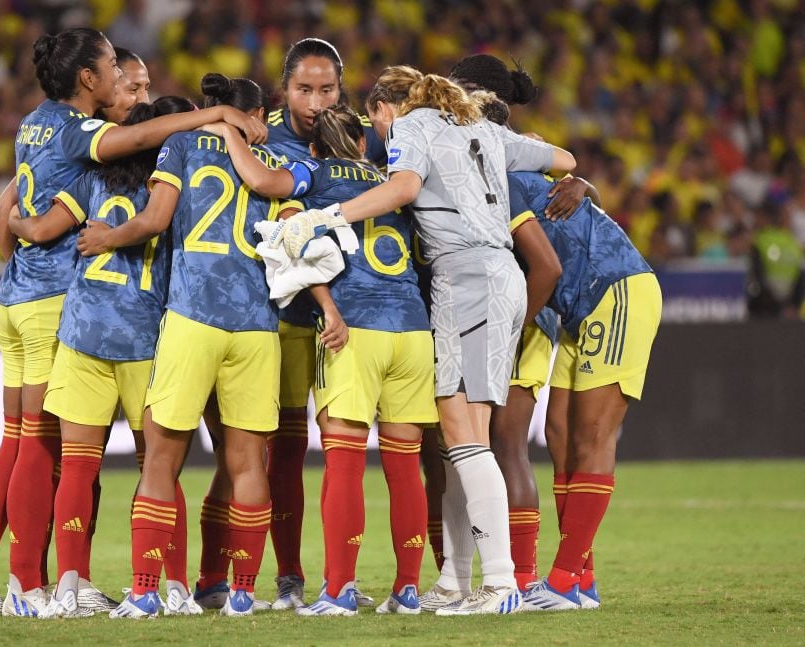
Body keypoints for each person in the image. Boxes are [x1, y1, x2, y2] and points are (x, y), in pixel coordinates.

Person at [0, 27, 268, 618]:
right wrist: (217, 116)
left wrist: (19, 244)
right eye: (131, 82)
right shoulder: (97, 142)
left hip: (21, 297)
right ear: (94, 81)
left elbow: (6, 210)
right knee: (93, 453)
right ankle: (45, 585)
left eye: (148, 87)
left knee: (30, 446)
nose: (142, 96)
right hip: (73, 307)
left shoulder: (35, 125)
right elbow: (60, 220)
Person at [273, 65, 576, 615]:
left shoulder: (411, 126)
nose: (381, 138)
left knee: (465, 437)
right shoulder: (481, 128)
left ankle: (501, 582)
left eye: (377, 123)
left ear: (386, 109)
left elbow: (404, 186)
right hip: (497, 274)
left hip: (465, 277)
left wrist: (327, 215)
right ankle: (458, 580)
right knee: (460, 441)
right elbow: (565, 161)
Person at [217, 104, 436, 615]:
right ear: (363, 146)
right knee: (406, 469)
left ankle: (338, 590)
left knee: (345, 465)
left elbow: (272, 191)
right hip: (412, 328)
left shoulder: (312, 173)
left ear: (313, 148)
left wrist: (231, 137)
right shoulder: (392, 179)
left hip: (353, 331)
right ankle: (407, 589)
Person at [76, 73, 280, 619]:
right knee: (247, 464)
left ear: (209, 108)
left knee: (161, 460)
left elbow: (155, 220)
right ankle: (241, 593)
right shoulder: (275, 159)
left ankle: (145, 591)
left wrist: (106, 237)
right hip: (258, 324)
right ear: (254, 112)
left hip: (193, 317)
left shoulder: (182, 143)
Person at [5, 96, 199, 618]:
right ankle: (174, 585)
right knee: (158, 468)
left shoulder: (91, 181)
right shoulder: (174, 193)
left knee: (77, 466)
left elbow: (43, 228)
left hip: (84, 331)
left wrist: (15, 225)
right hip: (141, 339)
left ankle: (68, 585)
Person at [421, 54, 593, 611]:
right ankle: (469, 579)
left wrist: (511, 329)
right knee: (469, 446)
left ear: (470, 93)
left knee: (497, 445)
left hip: (507, 310)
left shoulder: (484, 151)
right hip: (501, 304)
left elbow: (544, 263)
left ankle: (512, 577)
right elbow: (567, 164)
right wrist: (581, 179)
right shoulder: (505, 147)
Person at [257, 37, 387, 610]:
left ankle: (375, 578)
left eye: (326, 89)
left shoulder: (368, 135)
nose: (314, 101)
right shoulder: (260, 136)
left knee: (349, 450)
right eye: (303, 89)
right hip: (286, 317)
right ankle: (289, 577)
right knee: (284, 450)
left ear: (342, 87)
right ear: (284, 89)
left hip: (356, 322)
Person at [504, 170, 662, 611]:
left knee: (593, 435)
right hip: (577, 310)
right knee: (557, 431)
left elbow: (565, 169)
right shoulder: (506, 180)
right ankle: (581, 581)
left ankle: (561, 579)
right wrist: (587, 184)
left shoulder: (509, 178)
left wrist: (508, 334)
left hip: (616, 289)